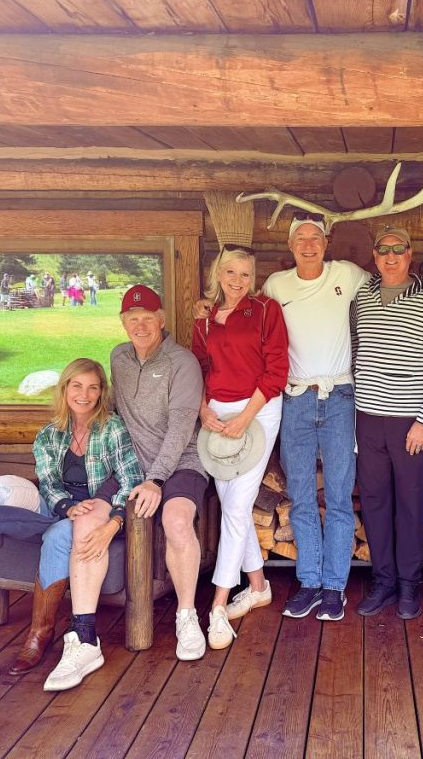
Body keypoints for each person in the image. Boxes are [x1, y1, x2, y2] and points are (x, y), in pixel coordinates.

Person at [260, 215, 371, 622]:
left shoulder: (347, 274)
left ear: (326, 243)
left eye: (315, 238)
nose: (308, 245)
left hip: (341, 396)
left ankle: (335, 587)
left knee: (340, 496)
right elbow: (250, 314)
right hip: (297, 399)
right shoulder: (276, 285)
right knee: (302, 496)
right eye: (300, 239)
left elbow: (385, 288)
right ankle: (309, 582)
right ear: (291, 246)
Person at [7, 358, 143, 691]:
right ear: (65, 388)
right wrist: (67, 506)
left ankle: (40, 632)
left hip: (94, 511)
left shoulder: (112, 427)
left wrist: (114, 516)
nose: (84, 395)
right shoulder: (50, 434)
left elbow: (131, 478)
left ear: (101, 393)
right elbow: (48, 481)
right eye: (77, 386)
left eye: (93, 388)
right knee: (0, 489)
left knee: (56, 538)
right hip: (61, 507)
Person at [351, 226, 423, 619]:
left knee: (410, 504)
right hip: (368, 418)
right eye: (383, 250)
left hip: (411, 421)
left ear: (410, 254)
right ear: (374, 256)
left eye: (398, 250)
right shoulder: (364, 295)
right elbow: (357, 346)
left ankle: (410, 584)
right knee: (375, 502)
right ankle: (383, 581)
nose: (390, 257)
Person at [192, 245, 289, 649]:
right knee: (230, 501)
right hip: (216, 414)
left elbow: (276, 370)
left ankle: (216, 606)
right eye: (229, 273)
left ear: (254, 278)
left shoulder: (266, 311)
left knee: (234, 506)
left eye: (245, 274)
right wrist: (203, 412)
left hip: (258, 410)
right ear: (218, 274)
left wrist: (245, 418)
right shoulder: (204, 321)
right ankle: (259, 585)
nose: (236, 281)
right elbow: (198, 369)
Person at [110, 284, 212, 661]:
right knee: (90, 509)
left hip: (182, 462)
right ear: (123, 324)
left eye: (147, 318)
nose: (140, 326)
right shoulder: (118, 358)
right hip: (134, 464)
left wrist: (155, 479)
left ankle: (186, 616)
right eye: (132, 319)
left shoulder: (182, 362)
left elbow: (182, 428)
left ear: (162, 319)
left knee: (177, 521)